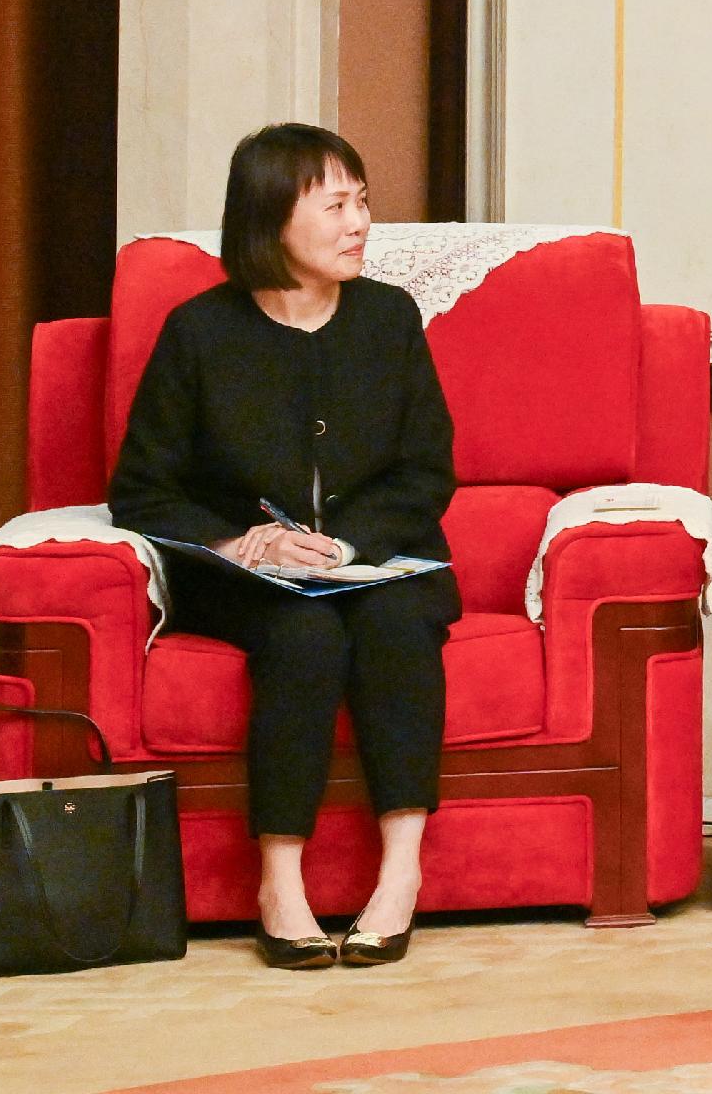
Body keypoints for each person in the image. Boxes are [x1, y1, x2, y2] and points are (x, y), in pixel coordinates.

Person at [106, 124, 456, 969]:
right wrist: (240, 541)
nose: (360, 222)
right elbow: (142, 491)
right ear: (271, 219)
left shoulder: (389, 317)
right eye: (336, 204)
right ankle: (280, 882)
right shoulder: (199, 332)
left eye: (363, 201)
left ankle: (400, 875)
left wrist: (344, 546)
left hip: (380, 559)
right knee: (304, 636)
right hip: (247, 580)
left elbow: (427, 469)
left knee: (397, 622)